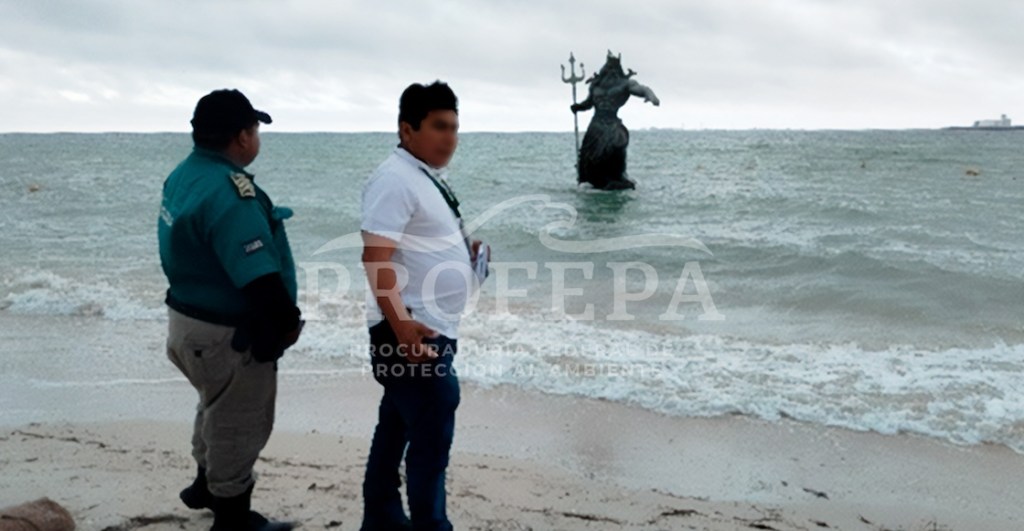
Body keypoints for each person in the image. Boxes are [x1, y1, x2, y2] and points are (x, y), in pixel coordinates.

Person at [158, 89, 302, 531]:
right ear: (241, 137)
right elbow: (257, 275)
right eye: (255, 129)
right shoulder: (230, 194)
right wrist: (284, 325)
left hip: (188, 323)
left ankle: (205, 482)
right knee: (240, 423)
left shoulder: (184, 176)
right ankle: (233, 517)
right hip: (226, 334)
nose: (257, 137)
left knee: (215, 405)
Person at [359, 81, 486, 531]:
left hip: (427, 326)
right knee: (433, 429)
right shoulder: (394, 179)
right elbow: (375, 258)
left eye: (454, 127)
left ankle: (380, 517)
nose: (449, 137)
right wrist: (403, 329)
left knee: (396, 423)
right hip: (410, 330)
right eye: (438, 127)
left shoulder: (425, 176)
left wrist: (464, 254)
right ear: (407, 129)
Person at [571, 51, 660, 190]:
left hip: (612, 123)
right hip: (596, 124)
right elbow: (589, 103)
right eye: (608, 66)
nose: (610, 70)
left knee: (617, 144)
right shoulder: (596, 85)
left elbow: (641, 89)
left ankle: (619, 174)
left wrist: (651, 96)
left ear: (619, 69)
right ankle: (588, 176)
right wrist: (578, 107)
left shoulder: (625, 84)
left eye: (614, 67)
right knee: (588, 153)